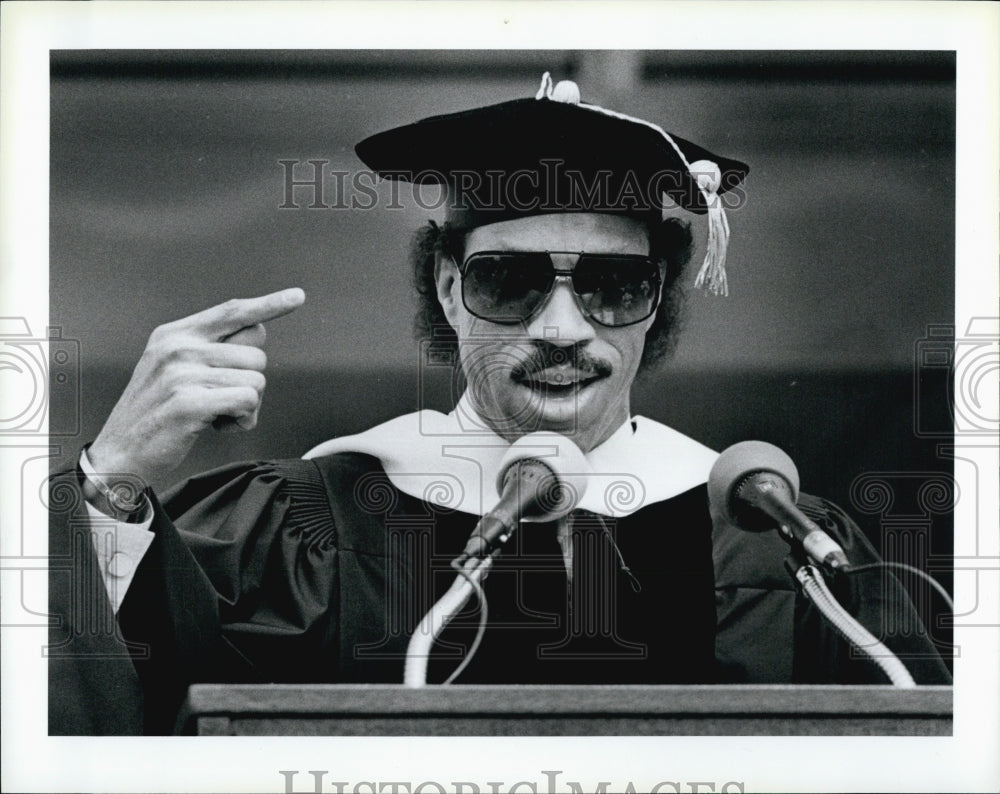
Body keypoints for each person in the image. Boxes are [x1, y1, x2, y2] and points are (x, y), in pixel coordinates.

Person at [48, 73, 950, 736]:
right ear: (447, 291)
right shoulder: (307, 522)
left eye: (613, 285)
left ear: (658, 302)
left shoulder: (772, 537)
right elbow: (114, 727)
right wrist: (110, 487)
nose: (562, 328)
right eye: (508, 282)